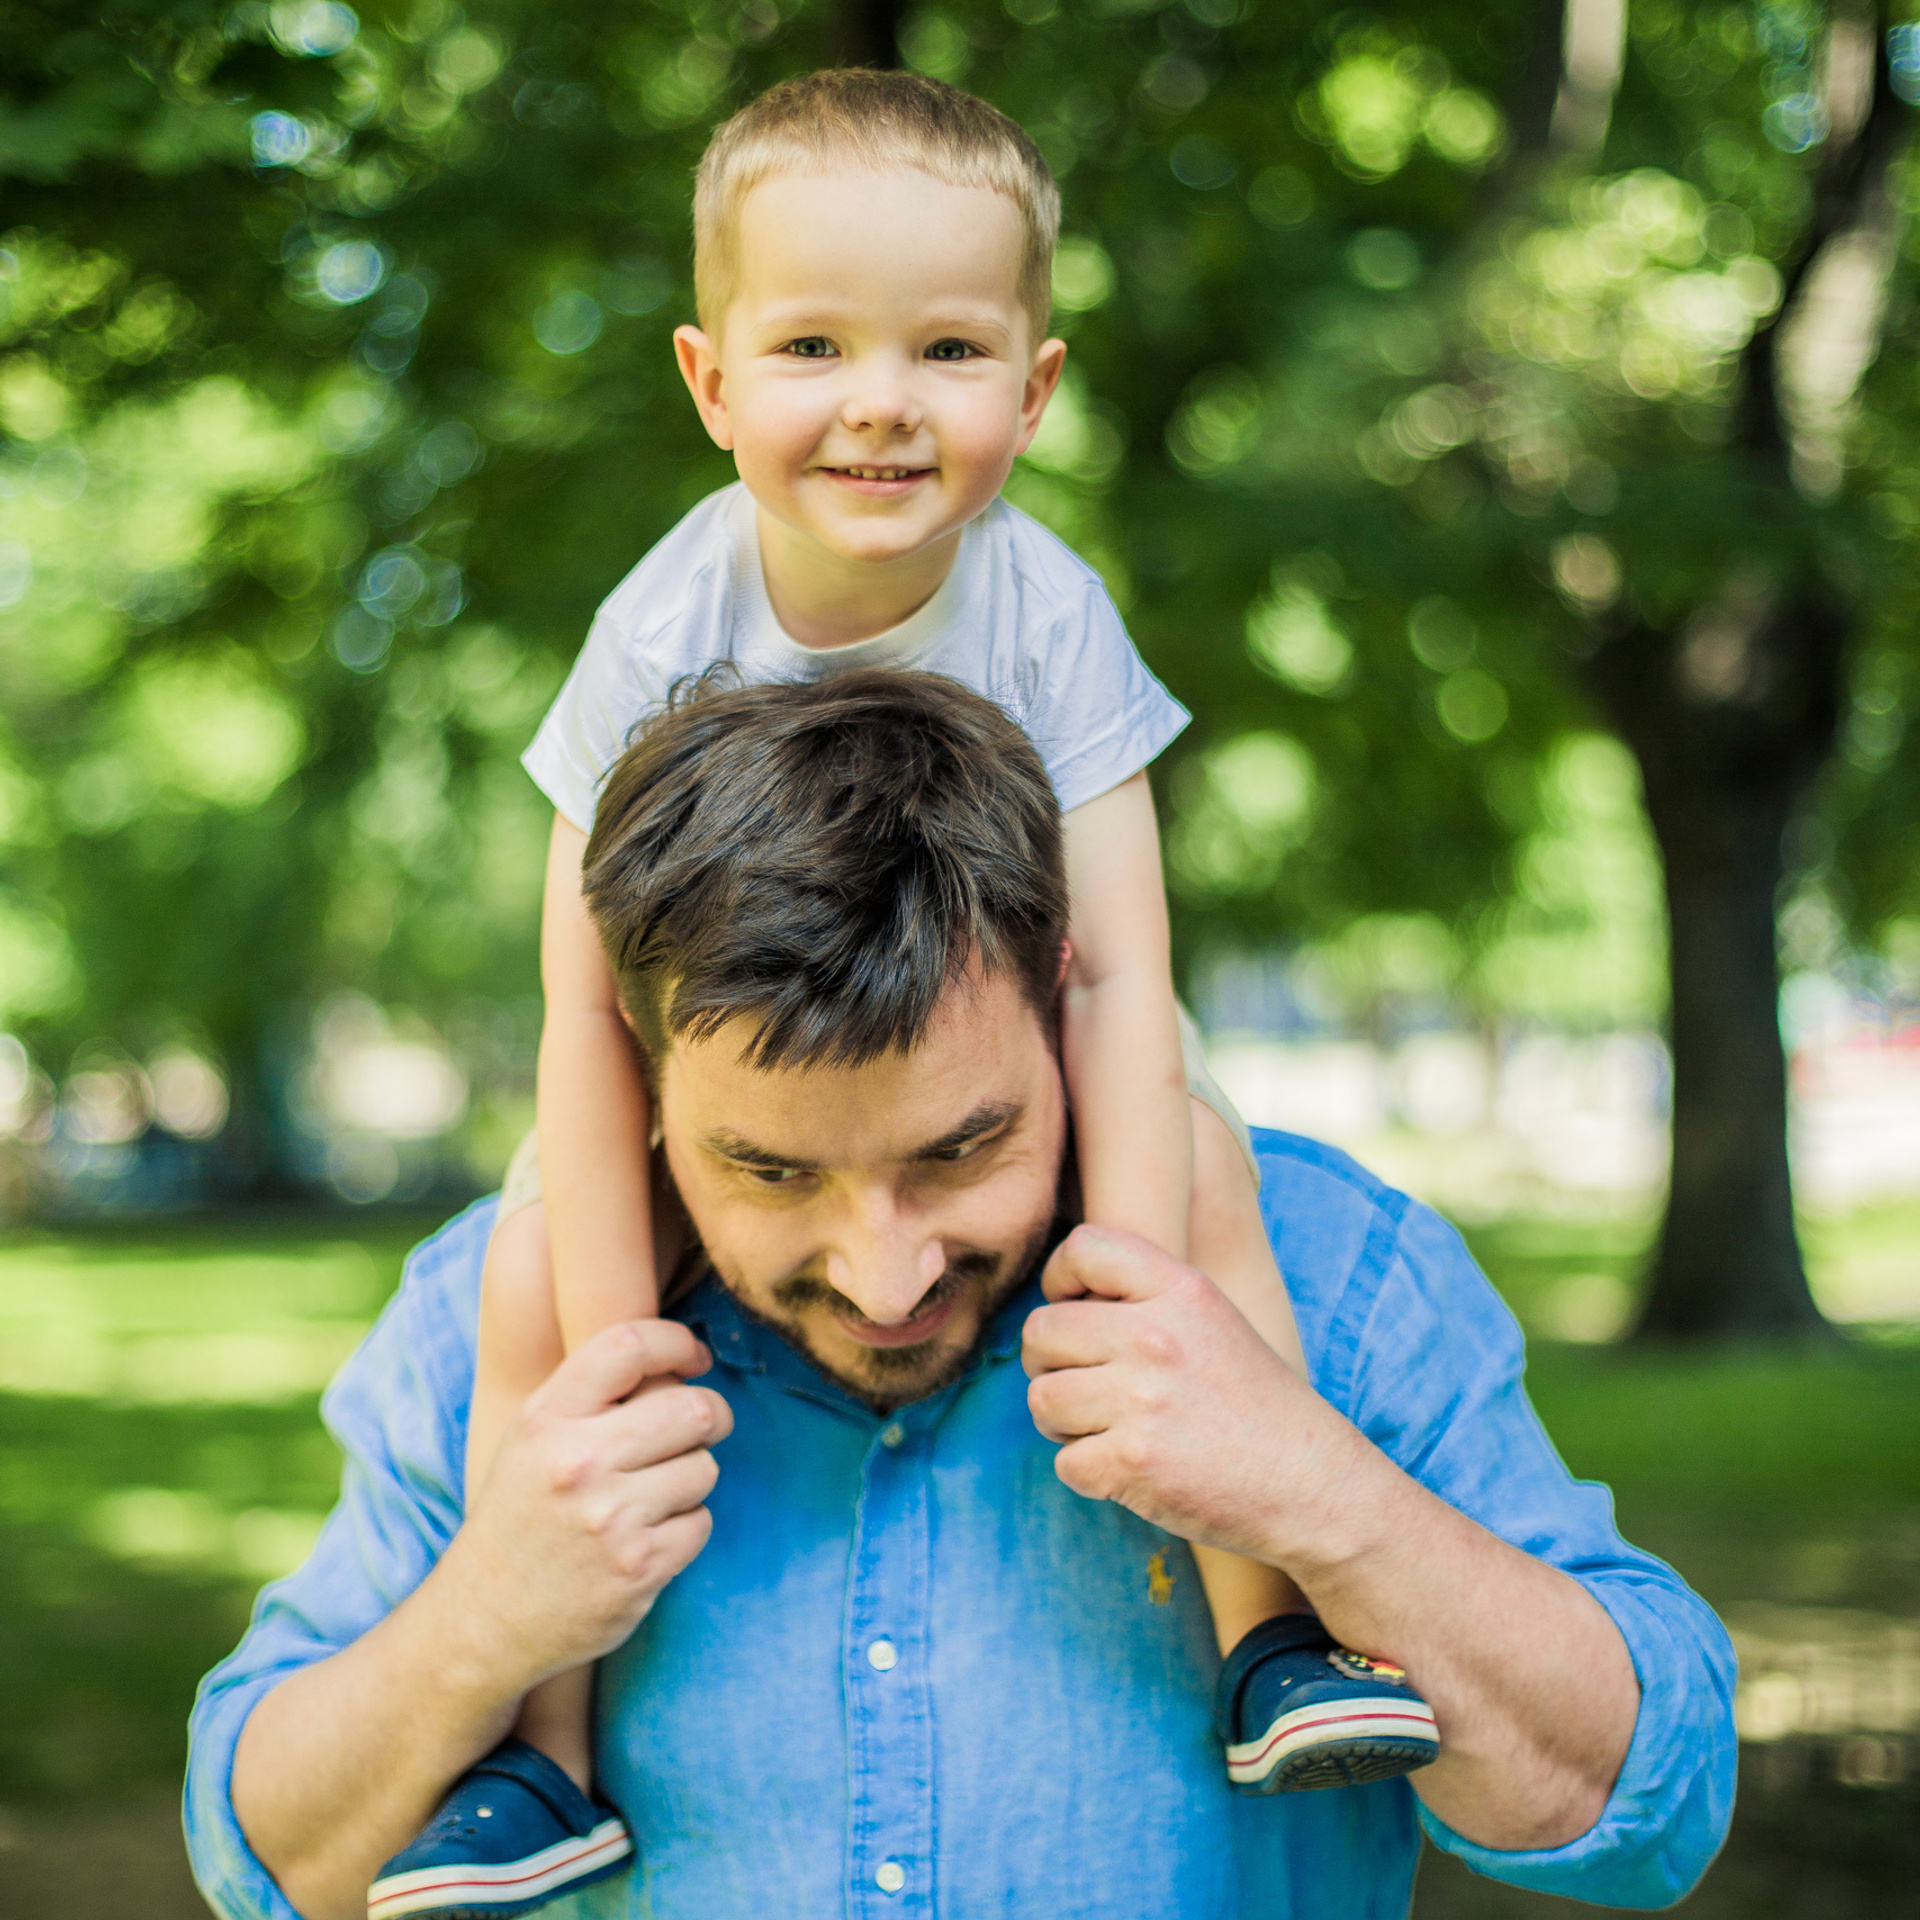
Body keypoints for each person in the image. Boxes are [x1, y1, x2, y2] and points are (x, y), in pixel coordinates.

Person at [187, 673, 1736, 1920]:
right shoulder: (496, 1328)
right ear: (644, 1086)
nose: (887, 1275)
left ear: (1063, 1000)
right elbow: (268, 1865)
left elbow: (1647, 1809)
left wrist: (1318, 1497)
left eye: (961, 1149)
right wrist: (483, 1623)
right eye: (772, 1171)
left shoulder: (1329, 1269)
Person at [467, 60, 1428, 1895]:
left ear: (1035, 388)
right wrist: (613, 1336)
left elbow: (1118, 974)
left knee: (1212, 1188)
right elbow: (584, 1010)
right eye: (813, 346)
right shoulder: (658, 632)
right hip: (742, 1091)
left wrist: (1133, 1282)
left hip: (1021, 1069)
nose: (882, 402)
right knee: (525, 1292)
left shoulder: (1047, 613)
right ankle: (540, 1749)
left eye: (950, 350)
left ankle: (1269, 1635)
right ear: (710, 382)